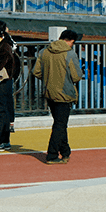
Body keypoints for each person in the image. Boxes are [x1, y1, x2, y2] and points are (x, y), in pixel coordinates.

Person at [32, 29, 83, 164]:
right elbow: (77, 76)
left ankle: (65, 151)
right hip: (65, 93)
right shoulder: (70, 54)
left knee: (60, 123)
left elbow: (36, 71)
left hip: (49, 92)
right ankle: (52, 154)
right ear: (70, 41)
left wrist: (49, 79)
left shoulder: (44, 51)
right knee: (60, 125)